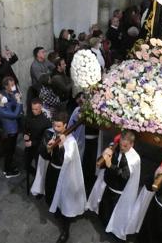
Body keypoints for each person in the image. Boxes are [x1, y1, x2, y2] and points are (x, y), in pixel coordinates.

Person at [31, 111, 85, 243]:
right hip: (52, 171)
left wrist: (61, 146)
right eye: (55, 125)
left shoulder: (71, 141)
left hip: (65, 175)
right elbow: (43, 154)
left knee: (64, 201)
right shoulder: (50, 134)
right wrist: (48, 148)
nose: (56, 128)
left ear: (65, 125)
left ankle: (65, 231)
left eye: (59, 126)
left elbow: (65, 161)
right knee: (50, 194)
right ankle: (55, 210)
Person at [86, 131, 141, 240]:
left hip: (119, 192)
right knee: (104, 209)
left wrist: (110, 165)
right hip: (109, 185)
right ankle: (104, 223)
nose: (122, 148)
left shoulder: (134, 159)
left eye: (125, 146)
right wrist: (104, 154)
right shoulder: (115, 149)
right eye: (121, 144)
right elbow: (102, 164)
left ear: (132, 144)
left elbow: (125, 176)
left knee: (114, 213)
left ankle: (113, 231)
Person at [0, 92, 23, 178]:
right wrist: (19, 102)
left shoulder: (1, 106)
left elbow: (11, 103)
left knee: (11, 151)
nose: (4, 97)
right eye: (1, 97)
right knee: (9, 152)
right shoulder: (0, 110)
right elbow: (15, 115)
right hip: (10, 133)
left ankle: (9, 167)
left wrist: (16, 98)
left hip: (11, 131)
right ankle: (8, 171)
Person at [23, 99, 51, 176]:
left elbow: (45, 139)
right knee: (26, 164)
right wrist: (25, 135)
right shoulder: (29, 116)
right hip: (28, 147)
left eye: (36, 109)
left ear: (41, 107)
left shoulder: (46, 122)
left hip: (38, 149)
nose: (34, 111)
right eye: (32, 109)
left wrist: (33, 142)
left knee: (39, 167)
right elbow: (26, 128)